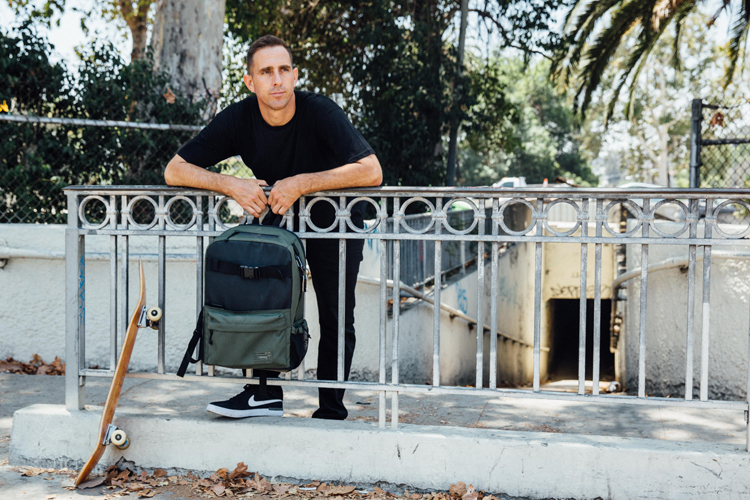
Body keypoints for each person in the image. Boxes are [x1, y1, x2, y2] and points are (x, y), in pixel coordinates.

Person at [164, 35, 382, 420]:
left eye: (284, 70)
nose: (277, 79)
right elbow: (175, 170)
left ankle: (331, 409)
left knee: (335, 314)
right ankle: (263, 395)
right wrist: (230, 184)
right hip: (281, 214)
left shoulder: (320, 112)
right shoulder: (239, 118)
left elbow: (371, 171)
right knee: (259, 299)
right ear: (250, 82)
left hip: (337, 218)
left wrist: (303, 182)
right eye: (266, 72)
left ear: (295, 75)